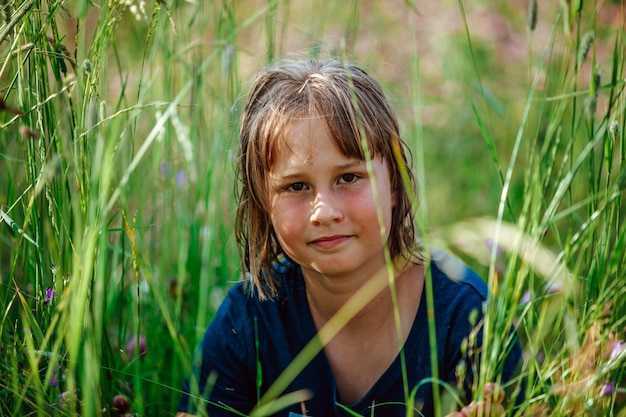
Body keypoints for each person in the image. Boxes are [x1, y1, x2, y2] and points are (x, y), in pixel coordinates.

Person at [176, 58, 523, 417]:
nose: (324, 211)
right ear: (264, 203)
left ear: (394, 182)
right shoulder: (248, 322)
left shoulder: (467, 319)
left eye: (349, 178)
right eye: (296, 186)